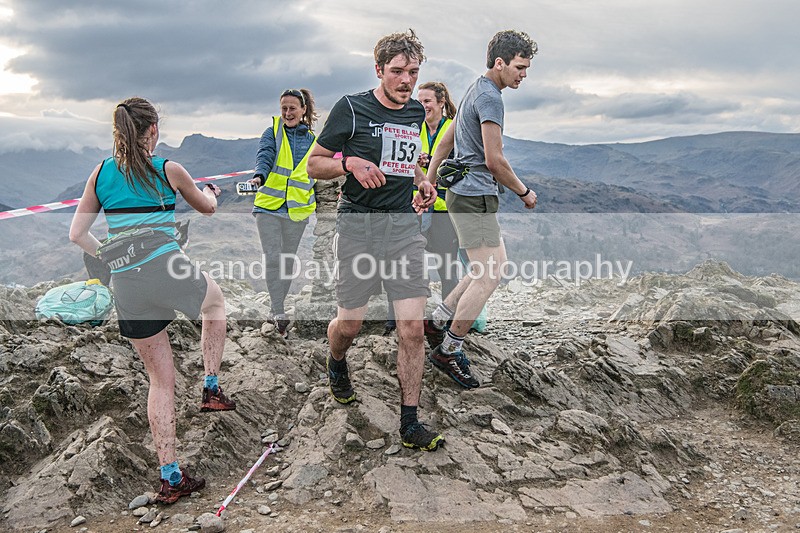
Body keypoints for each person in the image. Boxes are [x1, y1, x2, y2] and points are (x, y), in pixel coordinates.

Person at [69, 97, 236, 504]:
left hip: (127, 282)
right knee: (214, 306)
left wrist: (109, 253)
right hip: (168, 268)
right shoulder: (168, 169)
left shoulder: (101, 173)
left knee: (160, 380)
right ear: (154, 131)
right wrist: (210, 192)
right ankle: (211, 387)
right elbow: (208, 208)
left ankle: (169, 476)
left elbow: (77, 234)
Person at [307, 29, 444, 452]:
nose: (406, 81)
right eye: (398, 72)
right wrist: (349, 163)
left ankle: (410, 421)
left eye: (413, 72)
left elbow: (409, 166)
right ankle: (336, 361)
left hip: (403, 229)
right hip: (358, 227)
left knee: (412, 329)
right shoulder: (351, 108)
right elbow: (313, 164)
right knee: (349, 325)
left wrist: (423, 184)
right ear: (380, 70)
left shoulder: (415, 115)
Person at [425, 30, 539, 389]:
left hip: (464, 194)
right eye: (520, 67)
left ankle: (437, 320)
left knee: (484, 267)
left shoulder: (475, 88)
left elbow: (446, 139)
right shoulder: (491, 99)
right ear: (500, 63)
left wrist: (429, 181)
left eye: (528, 68)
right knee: (490, 274)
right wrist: (524, 192)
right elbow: (494, 160)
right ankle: (449, 349)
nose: (524, 74)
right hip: (475, 196)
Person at [385, 81, 458, 334]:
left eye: (428, 100)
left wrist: (441, 163)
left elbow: (464, 165)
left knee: (447, 266)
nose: (423, 105)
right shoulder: (412, 128)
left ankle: (447, 322)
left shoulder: (455, 128)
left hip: (444, 209)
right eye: (420, 100)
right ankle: (393, 321)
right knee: (401, 263)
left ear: (441, 102)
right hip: (413, 206)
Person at [247, 89, 318, 337]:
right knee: (273, 258)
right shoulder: (273, 132)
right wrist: (259, 176)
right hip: (268, 205)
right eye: (284, 108)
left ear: (303, 110)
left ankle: (276, 310)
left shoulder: (313, 140)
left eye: (292, 108)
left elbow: (317, 172)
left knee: (288, 262)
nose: (287, 113)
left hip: (296, 210)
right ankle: (279, 311)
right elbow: (265, 156)